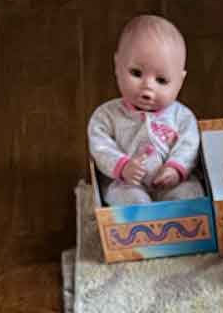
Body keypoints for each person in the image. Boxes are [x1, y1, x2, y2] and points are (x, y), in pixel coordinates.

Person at [87, 14, 203, 205]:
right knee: (126, 199)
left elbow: (189, 145)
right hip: (126, 182)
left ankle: (175, 224)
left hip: (171, 182)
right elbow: (100, 146)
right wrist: (122, 166)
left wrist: (175, 169)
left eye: (161, 80)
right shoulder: (106, 115)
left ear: (180, 81)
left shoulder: (182, 117)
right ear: (117, 65)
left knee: (190, 193)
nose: (147, 87)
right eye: (136, 73)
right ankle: (142, 223)